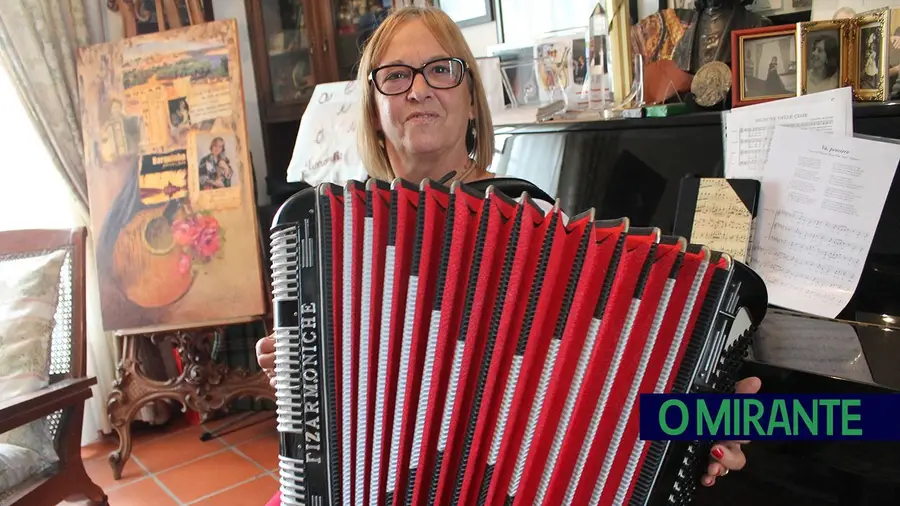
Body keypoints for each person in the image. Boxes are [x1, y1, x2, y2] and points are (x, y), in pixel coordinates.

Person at [258, 7, 760, 505]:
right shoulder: (334, 236)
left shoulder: (535, 226)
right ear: (373, 110)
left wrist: (703, 419)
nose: (418, 89)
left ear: (473, 100)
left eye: (440, 69)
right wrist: (297, 373)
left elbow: (611, 373)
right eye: (394, 76)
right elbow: (337, 402)